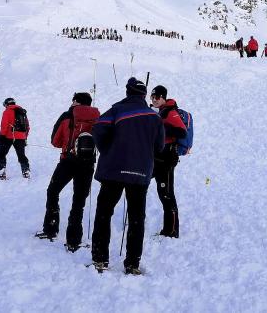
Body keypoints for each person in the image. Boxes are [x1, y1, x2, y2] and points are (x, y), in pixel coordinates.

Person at [90, 78, 164, 275]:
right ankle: (132, 263)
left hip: (113, 170)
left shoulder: (117, 110)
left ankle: (100, 259)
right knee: (137, 218)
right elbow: (159, 146)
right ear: (143, 95)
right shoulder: (155, 117)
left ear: (127, 92)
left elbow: (98, 128)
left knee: (104, 213)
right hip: (140, 173)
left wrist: (106, 149)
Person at [35, 92, 100, 251]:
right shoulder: (97, 117)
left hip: (68, 161)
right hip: (88, 164)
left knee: (53, 191)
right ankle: (73, 240)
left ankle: (51, 228)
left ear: (75, 102)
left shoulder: (67, 116)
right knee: (79, 201)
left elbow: (55, 141)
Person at [149, 85, 187, 238]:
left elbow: (182, 132)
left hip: (167, 160)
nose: (154, 99)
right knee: (160, 191)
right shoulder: (161, 112)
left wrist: (161, 127)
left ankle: (171, 230)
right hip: (157, 158)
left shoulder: (171, 112)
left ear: (163, 97)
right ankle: (169, 229)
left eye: (157, 97)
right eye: (152, 97)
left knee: (166, 193)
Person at [0, 98, 31, 180]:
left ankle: (1, 174)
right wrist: (25, 137)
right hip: (21, 137)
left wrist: (1, 137)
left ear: (6, 104)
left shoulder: (7, 111)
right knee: (21, 155)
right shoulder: (22, 111)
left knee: (1, 154)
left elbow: (4, 125)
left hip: (8, 136)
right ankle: (26, 171)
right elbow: (27, 126)